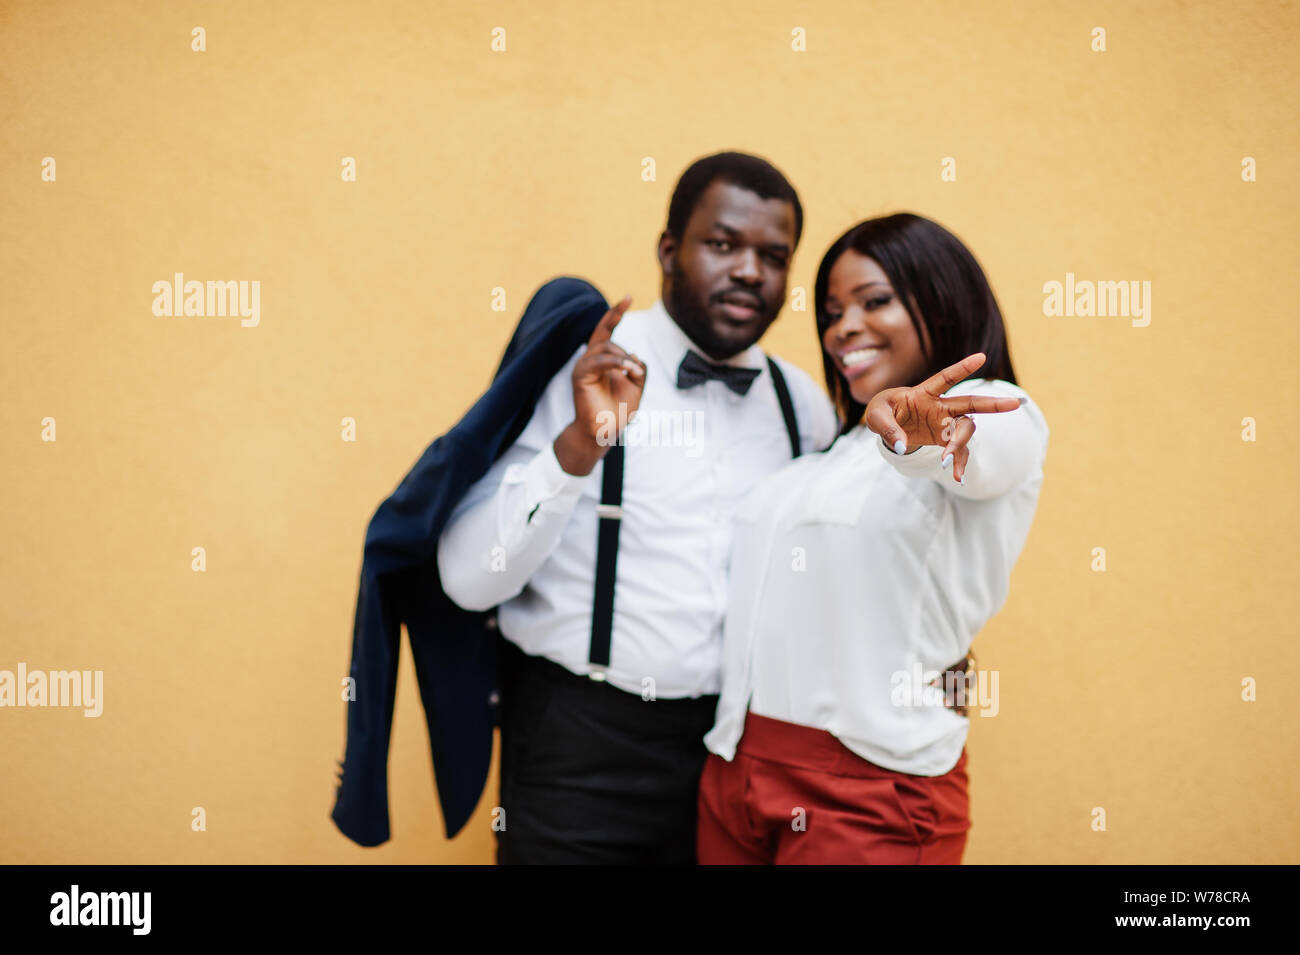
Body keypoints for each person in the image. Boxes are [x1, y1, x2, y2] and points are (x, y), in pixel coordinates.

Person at [435, 152, 838, 864]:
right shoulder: (583, 369)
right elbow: (468, 578)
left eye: (773, 255)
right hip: (577, 753)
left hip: (729, 761)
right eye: (722, 244)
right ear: (667, 250)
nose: (749, 269)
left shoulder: (800, 404)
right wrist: (575, 451)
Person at [697, 212, 1050, 864]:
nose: (843, 328)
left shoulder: (1000, 413)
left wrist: (921, 438)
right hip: (736, 773)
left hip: (868, 788)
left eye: (875, 300)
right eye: (832, 311)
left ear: (942, 297)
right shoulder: (824, 457)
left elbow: (974, 452)